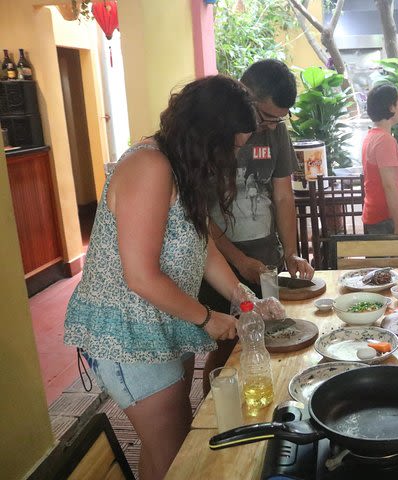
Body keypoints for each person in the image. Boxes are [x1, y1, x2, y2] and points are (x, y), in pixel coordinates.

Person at [64, 75, 260, 479]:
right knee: (177, 456)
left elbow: (202, 247)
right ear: (208, 135)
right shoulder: (150, 165)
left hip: (165, 322)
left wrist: (244, 299)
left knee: (162, 450)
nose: (232, 160)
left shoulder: (183, 168)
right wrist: (209, 318)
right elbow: (140, 277)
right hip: (129, 334)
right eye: (231, 148)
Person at [199, 59, 314, 394]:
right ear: (243, 95)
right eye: (265, 117)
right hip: (218, 260)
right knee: (227, 345)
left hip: (263, 254)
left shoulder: (276, 131)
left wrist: (290, 252)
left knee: (270, 335)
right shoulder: (212, 134)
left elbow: (282, 196)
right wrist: (237, 260)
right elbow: (200, 217)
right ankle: (215, 409)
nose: (269, 126)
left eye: (278, 119)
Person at [361, 83, 398, 234]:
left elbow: (377, 181)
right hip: (385, 219)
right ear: (391, 108)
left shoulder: (371, 137)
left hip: (375, 214)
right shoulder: (385, 140)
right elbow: (389, 185)